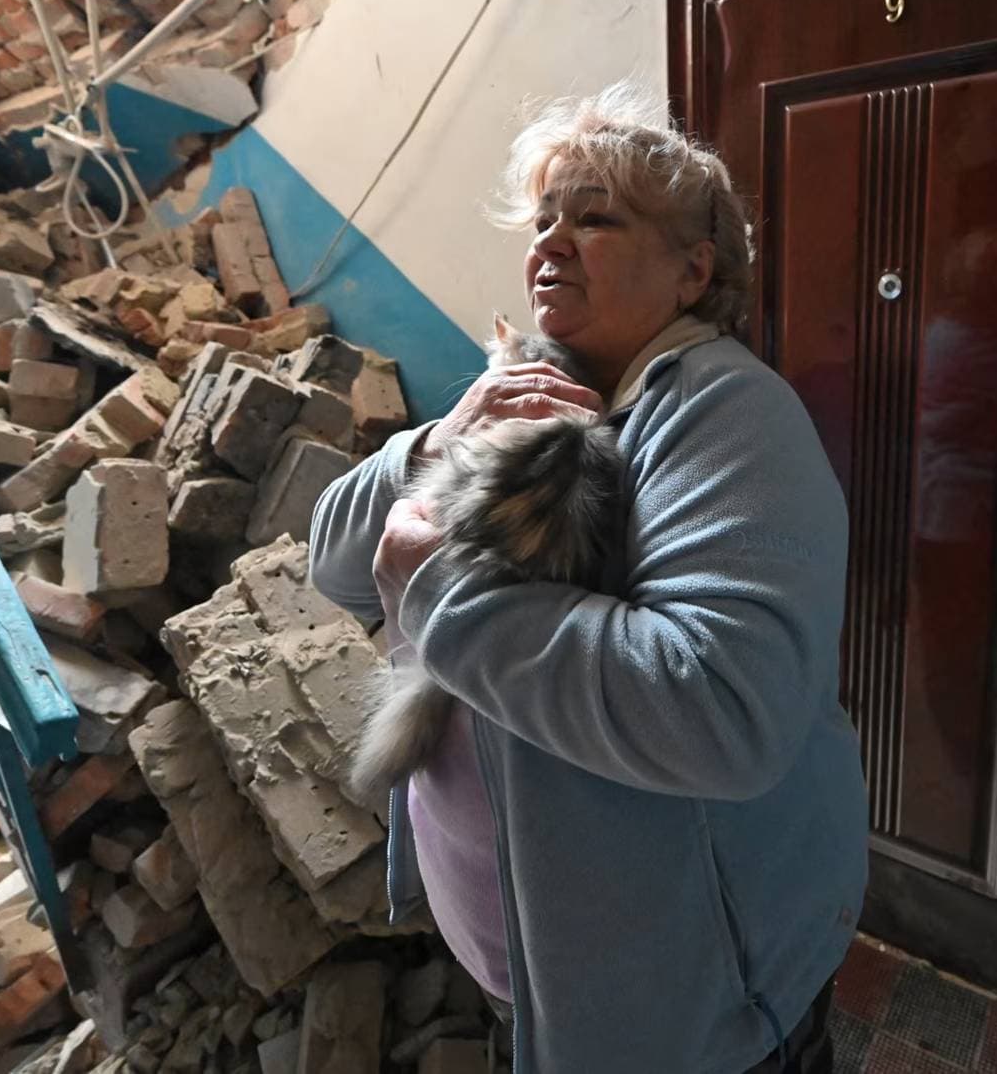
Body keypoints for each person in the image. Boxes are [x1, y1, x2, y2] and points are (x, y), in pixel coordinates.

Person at [308, 82, 867, 1072]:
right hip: (544, 968)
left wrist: (436, 587)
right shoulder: (531, 395)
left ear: (692, 271)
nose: (550, 243)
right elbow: (338, 563)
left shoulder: (726, 417)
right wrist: (440, 438)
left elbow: (720, 712)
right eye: (545, 218)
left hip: (691, 1002)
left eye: (595, 218)